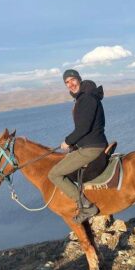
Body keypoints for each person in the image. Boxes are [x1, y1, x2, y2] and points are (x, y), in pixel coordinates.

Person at [48, 69, 108, 224]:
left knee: (54, 174)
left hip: (92, 147)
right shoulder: (85, 97)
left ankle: (87, 206)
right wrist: (74, 143)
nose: (70, 84)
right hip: (91, 143)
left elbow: (83, 128)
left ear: (79, 79)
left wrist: (67, 141)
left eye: (72, 80)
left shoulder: (86, 98)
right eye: (66, 82)